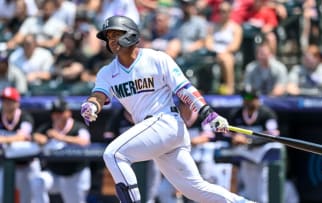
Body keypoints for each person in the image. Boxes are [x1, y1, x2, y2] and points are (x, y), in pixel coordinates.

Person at [80, 15, 254, 203]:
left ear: (130, 34)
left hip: (166, 122)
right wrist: (92, 105)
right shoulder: (107, 72)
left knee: (113, 154)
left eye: (116, 34)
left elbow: (184, 89)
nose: (111, 40)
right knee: (194, 189)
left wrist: (208, 113)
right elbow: (99, 95)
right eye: (108, 36)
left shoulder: (156, 58)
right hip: (155, 134)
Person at [228, 88, 283, 203]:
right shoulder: (236, 114)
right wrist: (234, 138)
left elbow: (273, 135)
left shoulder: (267, 113)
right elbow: (225, 133)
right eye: (244, 98)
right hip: (245, 155)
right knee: (249, 190)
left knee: (262, 190)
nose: (246, 101)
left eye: (250, 98)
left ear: (257, 99)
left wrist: (249, 142)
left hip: (262, 154)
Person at [31, 97, 91, 203]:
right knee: (38, 181)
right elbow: (35, 135)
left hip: (74, 175)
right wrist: (40, 138)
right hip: (55, 174)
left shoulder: (77, 127)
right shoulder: (48, 127)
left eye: (60, 112)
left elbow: (85, 141)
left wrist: (60, 137)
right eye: (54, 112)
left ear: (68, 113)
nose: (57, 115)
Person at [0, 86, 41, 203]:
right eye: (4, 101)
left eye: (10, 101)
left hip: (27, 165)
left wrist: (4, 139)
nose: (6, 104)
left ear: (17, 103)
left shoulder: (25, 117)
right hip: (6, 165)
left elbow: (23, 136)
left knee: (28, 200)